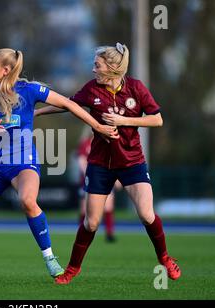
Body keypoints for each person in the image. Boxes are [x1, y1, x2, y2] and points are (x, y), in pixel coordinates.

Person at [0, 48, 119, 283]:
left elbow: (69, 104)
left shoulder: (29, 90)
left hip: (24, 162)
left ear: (7, 69)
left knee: (27, 201)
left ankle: (50, 258)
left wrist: (99, 127)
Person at [34, 43, 181, 284]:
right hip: (100, 164)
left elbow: (157, 120)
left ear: (112, 68)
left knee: (146, 214)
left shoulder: (136, 88)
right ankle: (72, 269)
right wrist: (37, 112)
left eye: (97, 65)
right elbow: (67, 104)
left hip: (132, 161)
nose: (93, 70)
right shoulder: (92, 89)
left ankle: (164, 258)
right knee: (91, 222)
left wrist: (123, 120)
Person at [76, 127, 121, 242]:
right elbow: (81, 162)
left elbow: (115, 161)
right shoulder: (85, 144)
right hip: (87, 180)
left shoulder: (108, 143)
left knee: (108, 206)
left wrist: (117, 179)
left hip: (105, 179)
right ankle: (81, 234)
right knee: (83, 210)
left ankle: (109, 233)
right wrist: (91, 175)